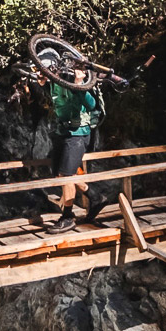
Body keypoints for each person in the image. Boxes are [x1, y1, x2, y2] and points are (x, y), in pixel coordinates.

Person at [31, 65, 106, 233]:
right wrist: (42, 83)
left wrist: (79, 83)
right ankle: (95, 197)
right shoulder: (54, 81)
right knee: (60, 174)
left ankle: (67, 217)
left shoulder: (74, 78)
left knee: (66, 176)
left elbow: (92, 104)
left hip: (78, 134)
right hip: (62, 131)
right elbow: (51, 99)